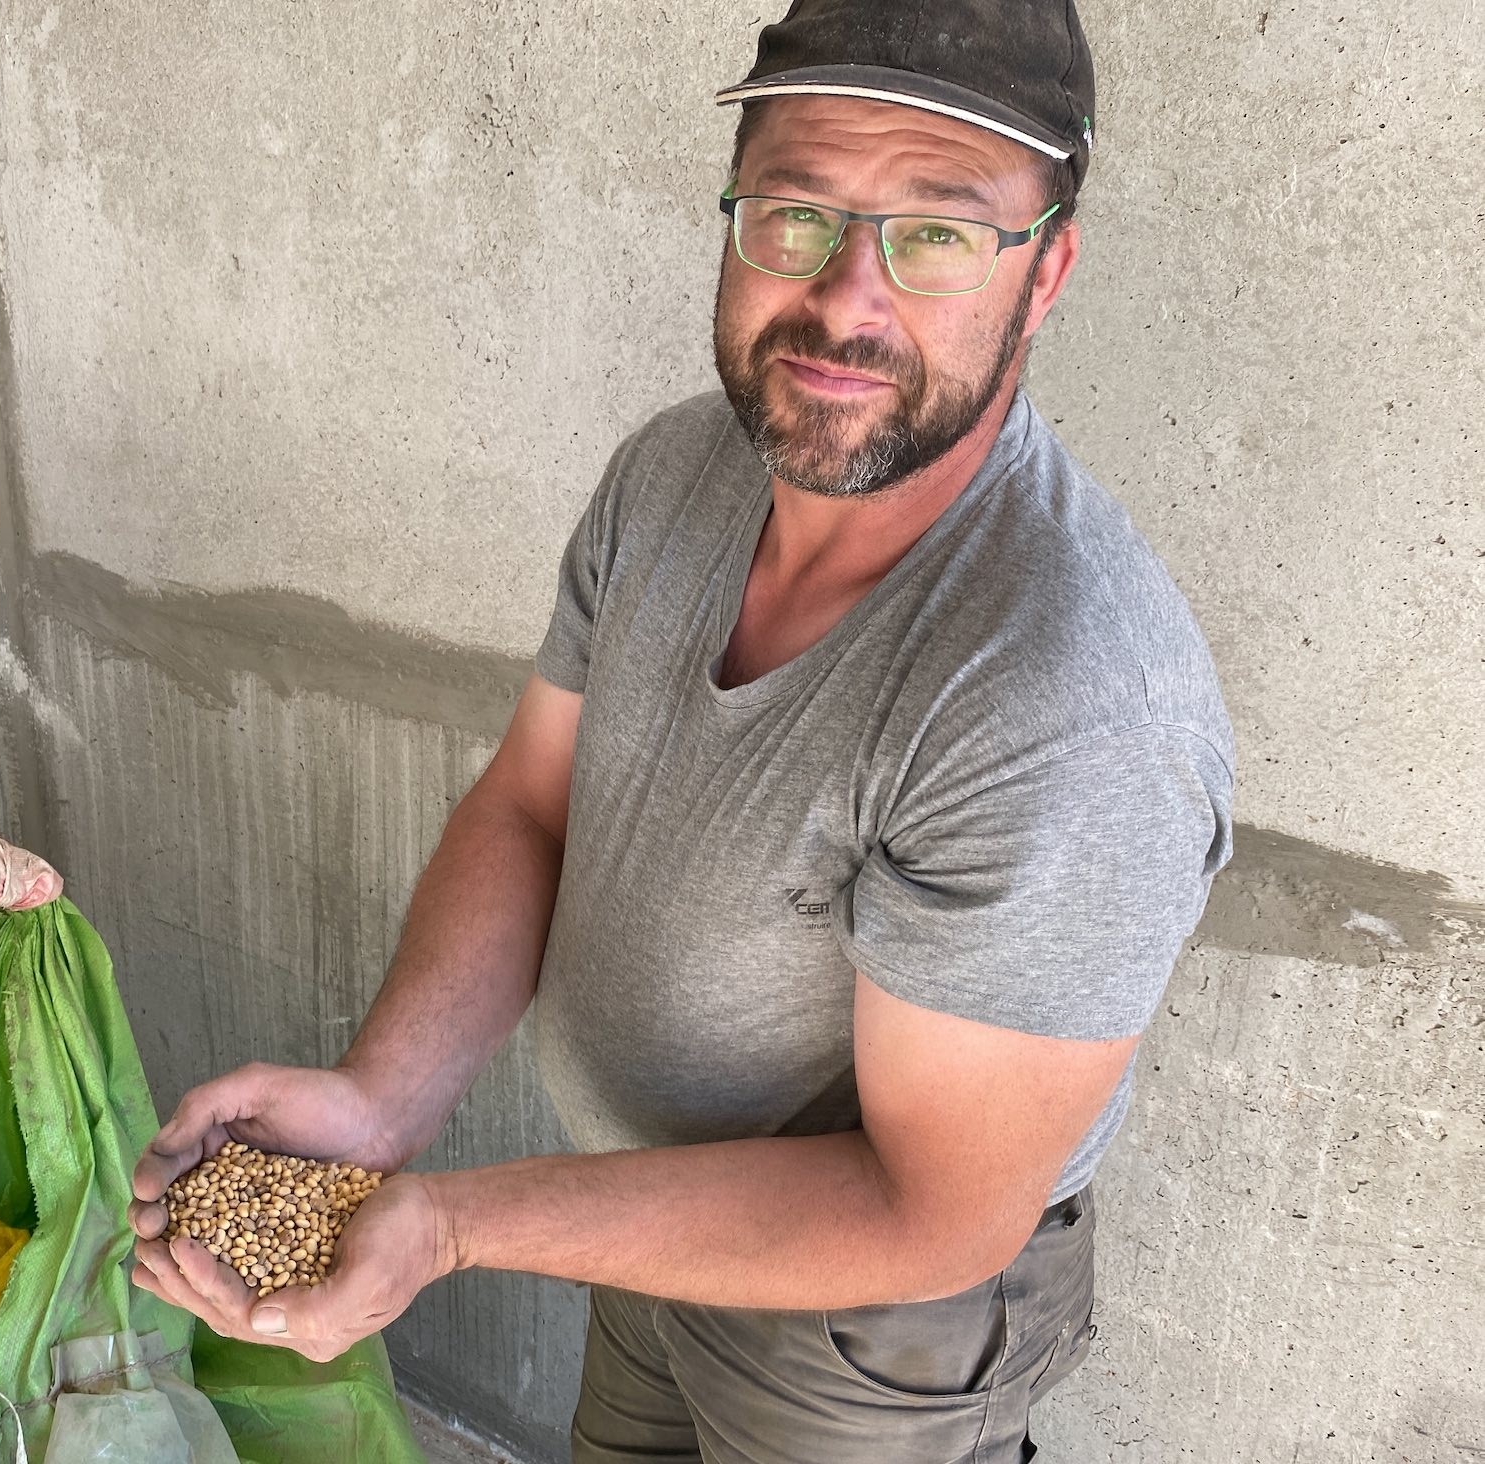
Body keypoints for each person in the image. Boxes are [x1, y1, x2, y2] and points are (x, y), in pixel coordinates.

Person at [130, 0, 1235, 1457]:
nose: (849, 300)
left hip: (863, 1328)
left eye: (939, 234)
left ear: (1050, 274)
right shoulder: (673, 479)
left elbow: (931, 1210)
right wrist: (378, 1102)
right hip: (643, 1221)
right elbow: (535, 805)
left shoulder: (1063, 697)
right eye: (796, 213)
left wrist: (450, 1227)